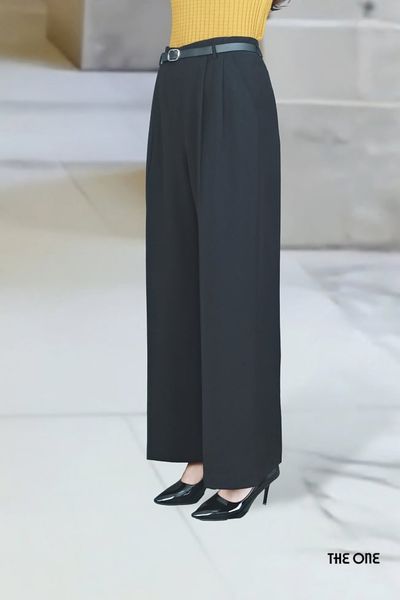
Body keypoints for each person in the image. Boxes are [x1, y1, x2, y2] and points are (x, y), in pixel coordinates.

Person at [145, 0, 289, 522]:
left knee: (234, 276)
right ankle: (200, 451)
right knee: (175, 274)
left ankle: (246, 462)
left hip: (233, 76)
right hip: (175, 79)